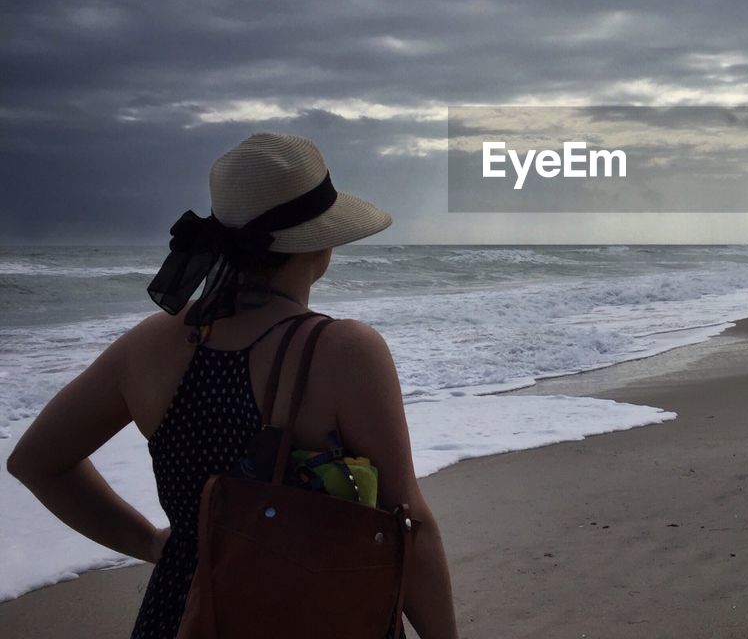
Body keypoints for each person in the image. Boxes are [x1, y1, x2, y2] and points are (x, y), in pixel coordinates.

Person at [5, 132, 459, 639]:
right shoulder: (343, 351)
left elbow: (36, 463)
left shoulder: (151, 345)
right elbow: (410, 523)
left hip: (182, 616)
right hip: (314, 616)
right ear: (320, 243)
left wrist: (157, 545)